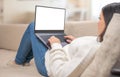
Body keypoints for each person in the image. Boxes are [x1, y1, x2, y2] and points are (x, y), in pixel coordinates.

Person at [9, 2, 120, 77]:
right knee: (44, 33)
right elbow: (92, 45)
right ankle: (24, 60)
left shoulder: (91, 50)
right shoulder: (110, 43)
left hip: (50, 62)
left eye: (100, 19)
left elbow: (60, 73)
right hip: (64, 49)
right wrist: (76, 41)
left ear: (110, 23)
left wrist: (56, 46)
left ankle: (18, 61)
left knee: (33, 26)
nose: (98, 22)